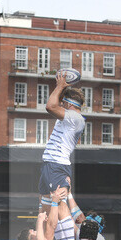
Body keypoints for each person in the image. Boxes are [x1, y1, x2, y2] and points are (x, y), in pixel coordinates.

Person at [38, 70, 85, 217]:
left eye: (64, 102)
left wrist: (59, 86)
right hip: (50, 164)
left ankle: (71, 237)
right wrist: (63, 87)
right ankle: (46, 238)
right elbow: (55, 103)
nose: (61, 105)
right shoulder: (70, 117)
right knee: (45, 211)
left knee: (60, 210)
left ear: (70, 104)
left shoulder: (75, 118)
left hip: (57, 166)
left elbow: (50, 106)